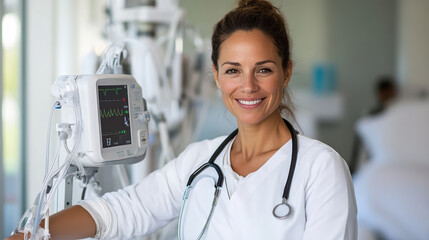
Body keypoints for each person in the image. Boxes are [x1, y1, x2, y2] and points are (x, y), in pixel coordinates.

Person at [7, 0, 357, 239]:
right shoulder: (200, 160)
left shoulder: (321, 169)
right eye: (233, 70)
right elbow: (126, 209)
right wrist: (32, 234)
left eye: (263, 69)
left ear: (286, 72)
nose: (247, 86)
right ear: (217, 77)